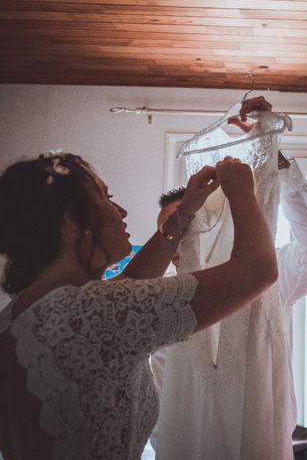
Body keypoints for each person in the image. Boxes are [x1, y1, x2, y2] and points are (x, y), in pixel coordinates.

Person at [0, 152, 278, 459]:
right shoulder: (96, 311)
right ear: (71, 220)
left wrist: (184, 212)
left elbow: (132, 279)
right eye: (106, 198)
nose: (120, 211)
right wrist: (242, 192)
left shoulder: (25, 312)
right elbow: (258, 270)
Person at [149, 97, 307, 459]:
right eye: (168, 234)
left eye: (187, 228)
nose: (175, 241)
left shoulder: (269, 275)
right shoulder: (157, 302)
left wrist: (275, 164)